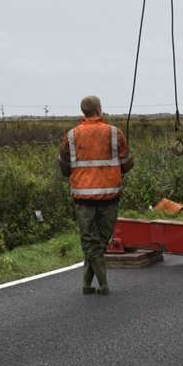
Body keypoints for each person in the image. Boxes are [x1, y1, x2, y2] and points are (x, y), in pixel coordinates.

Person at [58, 96, 133, 295]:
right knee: (100, 241)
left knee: (91, 241)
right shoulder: (115, 133)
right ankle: (103, 284)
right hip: (110, 197)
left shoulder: (71, 135)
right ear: (100, 109)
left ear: (83, 111)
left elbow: (64, 167)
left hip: (82, 199)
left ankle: (86, 284)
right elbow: (127, 164)